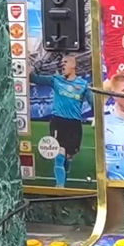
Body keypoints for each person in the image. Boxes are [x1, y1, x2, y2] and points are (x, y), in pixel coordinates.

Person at [30, 51, 92, 185]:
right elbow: (33, 78)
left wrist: (98, 117)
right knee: (59, 155)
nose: (62, 65)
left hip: (74, 125)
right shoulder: (55, 80)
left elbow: (93, 103)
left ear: (73, 65)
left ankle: (64, 180)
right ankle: (60, 187)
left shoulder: (83, 85)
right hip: (58, 122)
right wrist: (32, 67)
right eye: (61, 63)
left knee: (68, 157)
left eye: (65, 62)